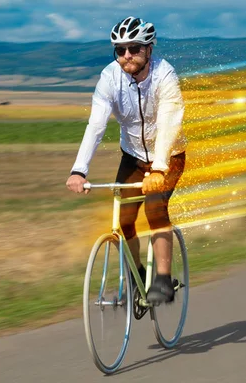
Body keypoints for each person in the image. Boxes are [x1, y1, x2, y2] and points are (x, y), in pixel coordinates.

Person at [66, 16, 187, 305]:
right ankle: (137, 276)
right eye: (120, 50)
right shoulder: (109, 77)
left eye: (133, 48)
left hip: (168, 157)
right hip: (132, 157)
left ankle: (162, 280)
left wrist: (159, 168)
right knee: (124, 221)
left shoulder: (165, 75)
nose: (127, 56)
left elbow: (169, 123)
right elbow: (96, 125)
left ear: (149, 50)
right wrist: (79, 170)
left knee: (155, 209)